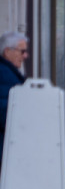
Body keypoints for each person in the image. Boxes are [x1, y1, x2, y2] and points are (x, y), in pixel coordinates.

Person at [0, 31, 29, 171]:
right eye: (22, 51)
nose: (25, 56)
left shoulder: (8, 72)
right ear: (7, 51)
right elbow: (4, 110)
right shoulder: (4, 74)